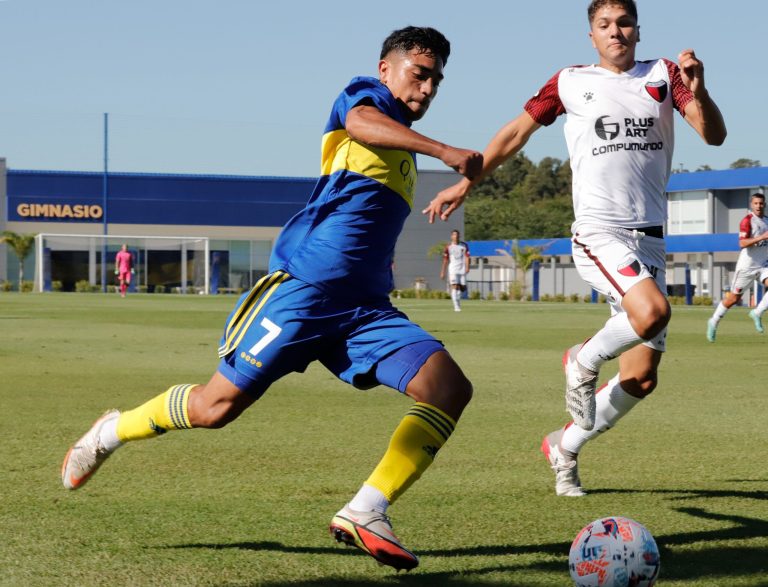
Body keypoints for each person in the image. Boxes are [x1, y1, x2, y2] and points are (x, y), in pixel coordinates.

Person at [61, 26, 482, 571]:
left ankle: (366, 510)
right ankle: (110, 433)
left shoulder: (402, 149)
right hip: (302, 293)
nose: (427, 89)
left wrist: (460, 171)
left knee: (449, 389)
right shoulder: (364, 99)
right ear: (386, 69)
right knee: (214, 409)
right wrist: (444, 150)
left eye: (436, 81)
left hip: (365, 310)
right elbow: (361, 123)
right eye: (419, 74)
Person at [424, 0, 726, 496]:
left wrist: (700, 91)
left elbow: (714, 136)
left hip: (650, 239)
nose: (616, 32)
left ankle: (564, 447)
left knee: (641, 378)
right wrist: (466, 183)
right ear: (592, 35)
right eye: (605, 25)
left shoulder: (664, 74)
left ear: (638, 30)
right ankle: (582, 359)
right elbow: (515, 133)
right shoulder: (569, 81)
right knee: (653, 312)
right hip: (600, 231)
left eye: (624, 23)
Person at [707, 193, 768, 341]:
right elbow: (742, 243)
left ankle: (757, 312)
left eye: (761, 203)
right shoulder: (747, 221)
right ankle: (713, 321)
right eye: (756, 203)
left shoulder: (767, 221)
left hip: (763, 265)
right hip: (747, 267)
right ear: (751, 205)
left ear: (765, 204)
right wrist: (762, 237)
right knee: (733, 298)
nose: (759, 206)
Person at [440, 229, 470, 311]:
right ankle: (456, 306)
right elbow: (445, 260)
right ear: (451, 236)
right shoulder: (448, 247)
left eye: (457, 235)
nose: (455, 236)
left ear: (459, 236)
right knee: (454, 286)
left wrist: (467, 267)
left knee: (462, 287)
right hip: (453, 269)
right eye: (454, 235)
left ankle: (458, 303)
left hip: (462, 269)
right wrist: (443, 271)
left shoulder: (464, 245)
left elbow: (467, 257)